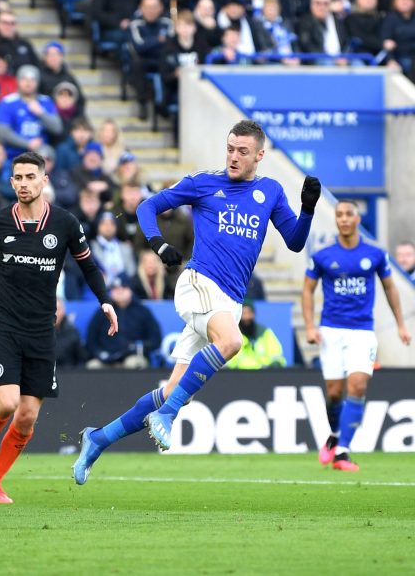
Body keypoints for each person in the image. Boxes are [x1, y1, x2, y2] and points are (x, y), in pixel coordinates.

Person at [74, 120, 320, 484]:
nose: (234, 157)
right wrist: (158, 244)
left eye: (242, 151)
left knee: (173, 391)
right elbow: (146, 207)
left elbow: (295, 242)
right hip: (199, 282)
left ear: (259, 155)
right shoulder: (204, 183)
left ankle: (96, 439)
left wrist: (308, 209)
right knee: (232, 341)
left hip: (229, 300)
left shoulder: (270, 191)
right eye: (230, 148)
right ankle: (167, 416)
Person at [0, 151, 118, 504]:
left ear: (44, 180)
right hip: (5, 323)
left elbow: (89, 267)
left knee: (28, 416)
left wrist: (105, 301)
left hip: (42, 329)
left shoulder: (65, 223)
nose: (23, 184)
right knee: (7, 403)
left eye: (30, 177)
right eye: (17, 178)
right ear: (11, 182)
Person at [302, 200, 411, 471]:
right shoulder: (322, 256)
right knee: (335, 393)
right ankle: (335, 436)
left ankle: (343, 452)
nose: (343, 219)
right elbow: (307, 290)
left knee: (358, 386)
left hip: (362, 330)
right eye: (339, 215)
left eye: (348, 214)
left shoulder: (375, 254)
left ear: (358, 218)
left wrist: (401, 325)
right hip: (331, 330)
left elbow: (390, 289)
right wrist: (310, 327)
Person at [225, 302, 285, 370]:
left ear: (254, 314)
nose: (247, 317)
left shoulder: (265, 332)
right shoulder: (232, 334)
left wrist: (274, 365)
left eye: (249, 313)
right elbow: (226, 360)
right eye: (244, 313)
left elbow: (276, 355)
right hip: (236, 375)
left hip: (264, 375)